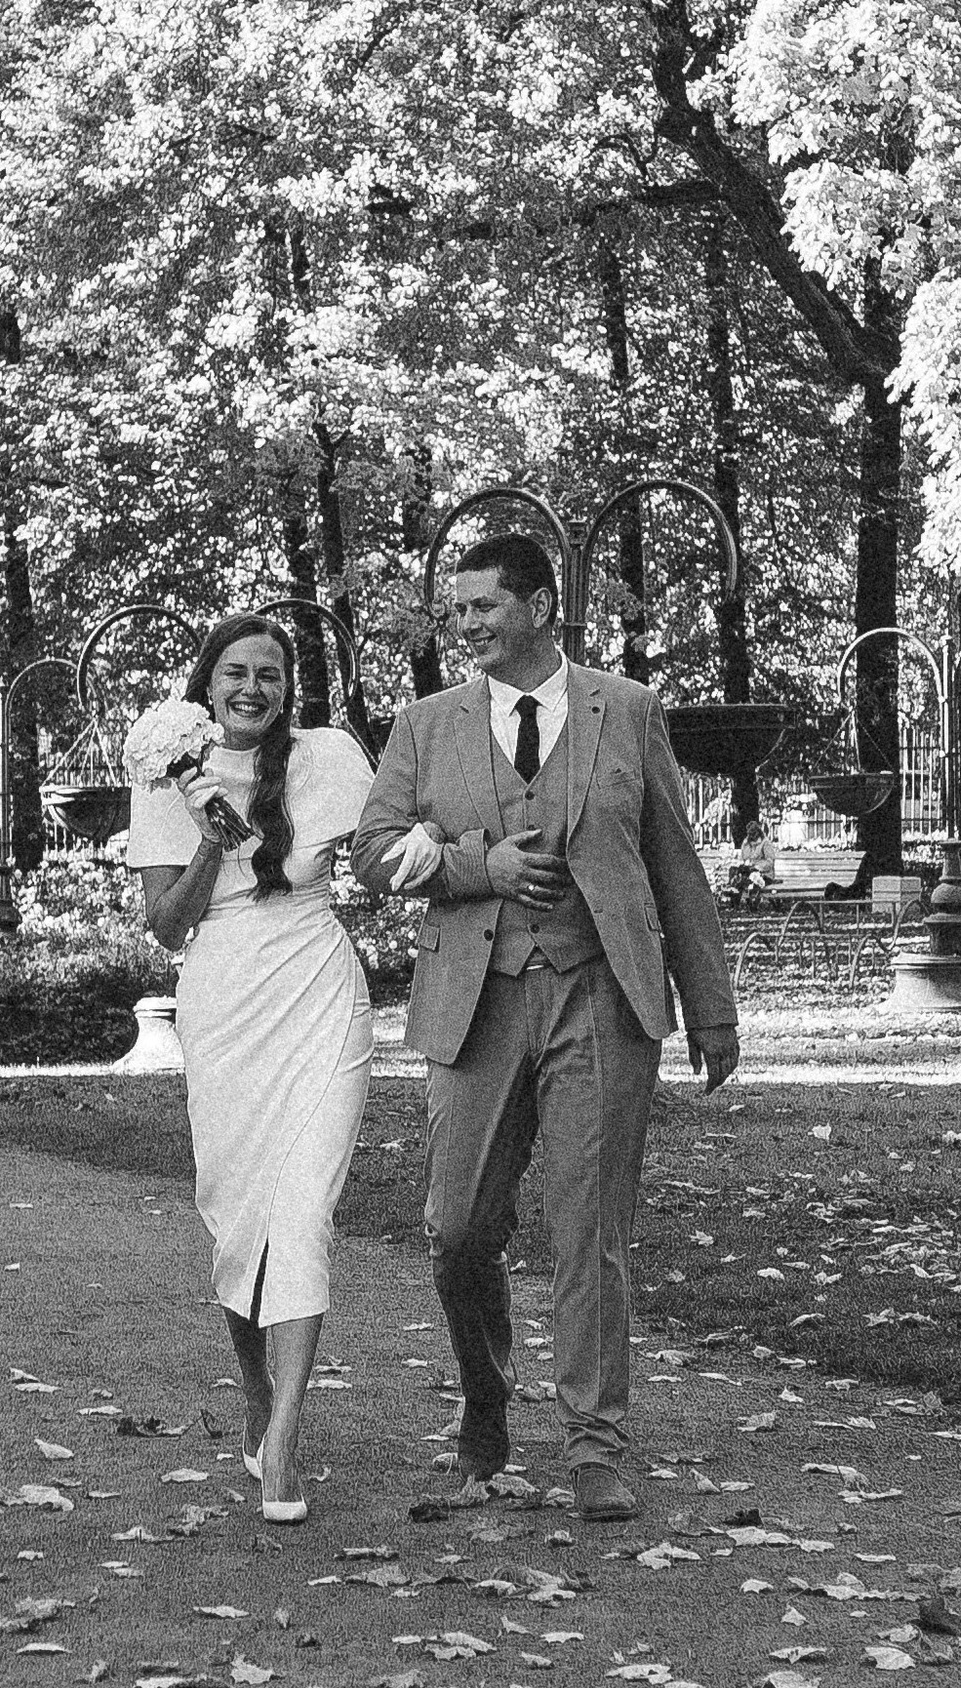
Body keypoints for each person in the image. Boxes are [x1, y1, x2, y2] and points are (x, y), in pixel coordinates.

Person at [353, 528, 739, 1522]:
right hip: (474, 1002)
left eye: (483, 606)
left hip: (601, 995)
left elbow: (672, 865)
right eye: (458, 610)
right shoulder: (426, 725)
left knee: (589, 1232)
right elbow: (371, 851)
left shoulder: (628, 710)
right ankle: (486, 1401)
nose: (466, 624)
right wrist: (474, 864)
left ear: (539, 608)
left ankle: (594, 1448)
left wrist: (712, 1008)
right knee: (456, 1229)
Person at [129, 614, 376, 1523]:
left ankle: (285, 1442)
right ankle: (256, 1396)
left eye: (270, 675)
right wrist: (209, 834)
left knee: (301, 1211)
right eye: (235, 671)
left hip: (316, 985)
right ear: (208, 680)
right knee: (240, 1221)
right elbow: (165, 924)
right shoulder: (163, 770)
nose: (252, 688)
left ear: (288, 689)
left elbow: (384, 853)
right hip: (225, 996)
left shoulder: (327, 757)